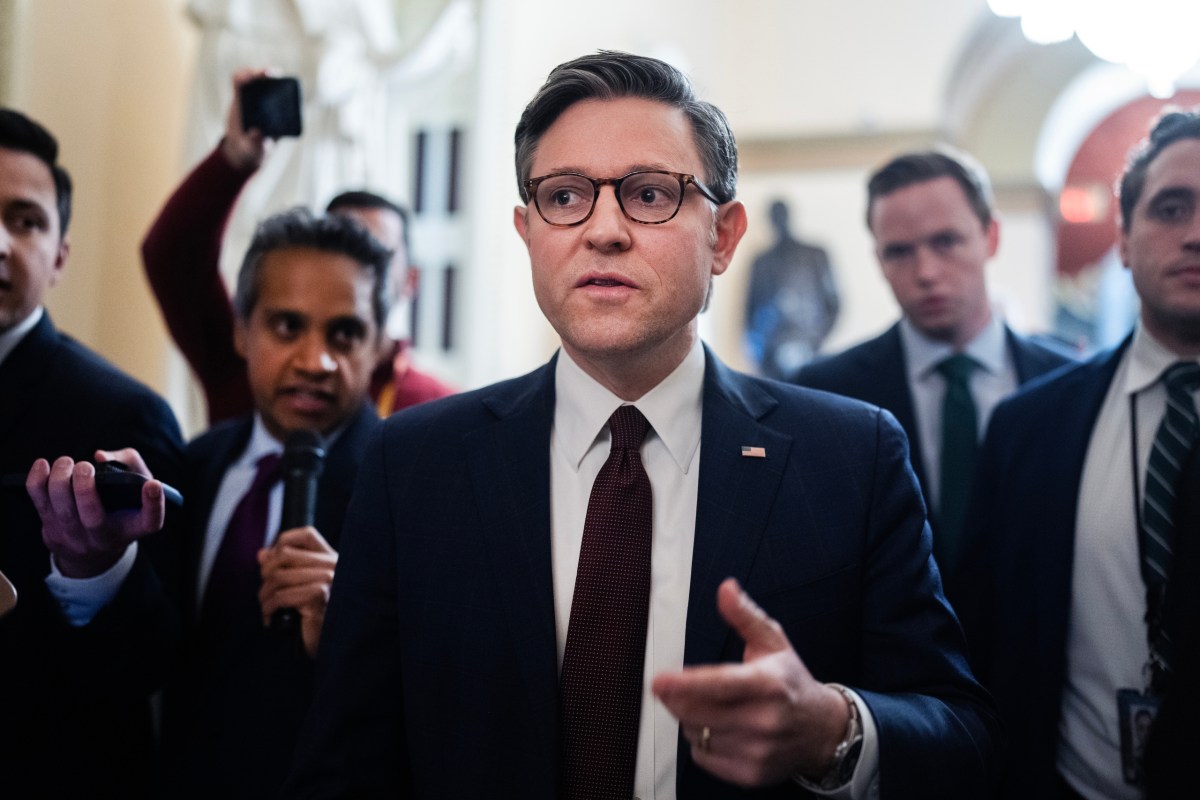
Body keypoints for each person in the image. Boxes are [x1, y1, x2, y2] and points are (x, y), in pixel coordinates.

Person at [281, 51, 1000, 800]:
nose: (604, 230)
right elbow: (345, 760)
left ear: (723, 237)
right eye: (565, 197)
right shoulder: (417, 464)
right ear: (529, 233)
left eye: (650, 194)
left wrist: (831, 729)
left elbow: (962, 737)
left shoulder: (851, 457)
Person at [25, 207, 389, 799]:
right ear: (242, 331)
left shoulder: (416, 486)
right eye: (287, 326)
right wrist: (94, 566)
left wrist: (356, 635)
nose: (315, 361)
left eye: (344, 334)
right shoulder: (194, 465)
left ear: (378, 347)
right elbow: (140, 658)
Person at [954, 108, 1200, 800]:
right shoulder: (1029, 427)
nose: (1196, 234)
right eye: (1171, 208)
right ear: (1123, 240)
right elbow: (982, 640)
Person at [0, 107, 184, 798]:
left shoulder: (123, 416)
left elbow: (159, 666)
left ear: (59, 256)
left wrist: (98, 570)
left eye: (26, 221)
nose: (0, 242)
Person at [792, 148, 1073, 578]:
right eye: (900, 252)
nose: (926, 272)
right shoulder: (824, 395)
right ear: (880, 262)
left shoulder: (1068, 382)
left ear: (991, 236)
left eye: (946, 242)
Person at [141, 67, 453, 425]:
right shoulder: (258, 364)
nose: (313, 365)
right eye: (340, 242)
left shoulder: (441, 411)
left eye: (374, 250)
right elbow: (174, 260)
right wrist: (233, 161)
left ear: (410, 280)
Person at [743, 199, 839, 380]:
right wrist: (757, 356)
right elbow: (749, 313)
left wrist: (815, 340)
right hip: (771, 357)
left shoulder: (814, 255)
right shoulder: (761, 262)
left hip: (808, 346)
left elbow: (833, 304)